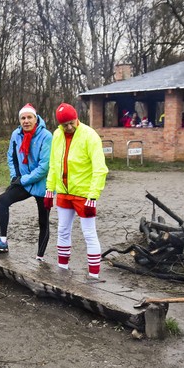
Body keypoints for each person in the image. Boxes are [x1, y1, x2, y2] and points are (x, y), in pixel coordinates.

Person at [45, 103, 108, 279]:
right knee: (63, 230)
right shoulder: (57, 135)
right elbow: (53, 165)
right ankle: (62, 269)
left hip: (84, 194)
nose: (69, 127)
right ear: (59, 125)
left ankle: (93, 275)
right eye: (65, 125)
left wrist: (93, 195)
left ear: (77, 118)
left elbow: (100, 168)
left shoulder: (90, 136)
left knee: (89, 233)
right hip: (64, 192)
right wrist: (50, 189)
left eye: (72, 122)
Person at [0, 103, 52, 259]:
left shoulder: (46, 136)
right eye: (23, 118)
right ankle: (2, 241)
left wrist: (23, 180)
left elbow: (44, 167)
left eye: (29, 117)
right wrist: (15, 177)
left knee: (43, 221)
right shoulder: (16, 134)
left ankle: (39, 257)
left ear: (36, 119)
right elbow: (11, 156)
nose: (26, 121)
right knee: (3, 199)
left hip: (43, 185)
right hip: (23, 182)